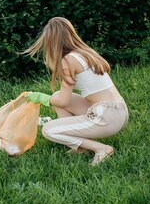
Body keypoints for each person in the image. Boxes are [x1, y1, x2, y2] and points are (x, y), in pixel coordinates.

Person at [23, 17, 128, 166]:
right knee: (57, 96)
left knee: (48, 130)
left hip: (107, 118)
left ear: (53, 42)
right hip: (119, 112)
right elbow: (62, 99)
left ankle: (101, 149)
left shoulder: (68, 61)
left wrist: (39, 97)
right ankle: (79, 147)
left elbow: (64, 102)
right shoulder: (84, 52)